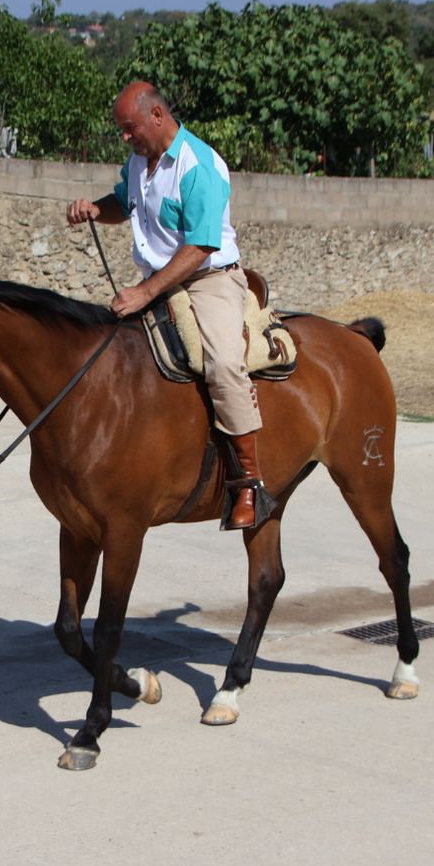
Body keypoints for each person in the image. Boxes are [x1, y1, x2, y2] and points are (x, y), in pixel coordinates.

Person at [66, 81, 266, 531]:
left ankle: (250, 482)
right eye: (121, 129)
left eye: (129, 127)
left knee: (221, 362)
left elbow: (200, 245)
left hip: (209, 279)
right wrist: (96, 210)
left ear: (157, 116)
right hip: (159, 281)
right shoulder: (138, 162)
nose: (125, 137)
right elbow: (125, 202)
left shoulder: (200, 165)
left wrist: (145, 292)